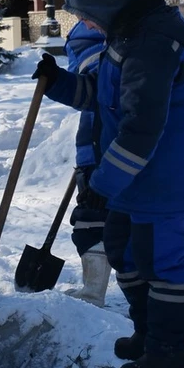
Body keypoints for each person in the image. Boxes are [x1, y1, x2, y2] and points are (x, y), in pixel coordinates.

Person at [32, 0, 184, 368]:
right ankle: (149, 334)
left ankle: (171, 352)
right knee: (122, 249)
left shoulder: (151, 43)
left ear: (104, 8)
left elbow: (142, 129)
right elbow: (102, 96)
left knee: (159, 260)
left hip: (162, 177)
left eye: (87, 16)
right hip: (137, 178)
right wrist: (58, 82)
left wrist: (103, 183)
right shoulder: (126, 35)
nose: (87, 25)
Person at [61, 21, 111, 307]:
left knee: (92, 220)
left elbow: (89, 96)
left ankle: (93, 293)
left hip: (100, 150)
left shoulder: (89, 47)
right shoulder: (101, 41)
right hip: (98, 149)